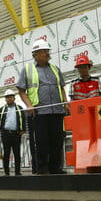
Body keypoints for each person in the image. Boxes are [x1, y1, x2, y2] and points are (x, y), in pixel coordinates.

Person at [17, 39, 68, 175]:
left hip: (57, 111)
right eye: (43, 51)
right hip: (39, 112)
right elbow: (21, 90)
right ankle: (42, 168)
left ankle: (55, 168)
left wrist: (65, 102)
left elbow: (62, 87)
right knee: (41, 142)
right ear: (36, 54)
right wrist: (28, 105)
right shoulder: (28, 69)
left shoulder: (55, 69)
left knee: (57, 141)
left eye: (47, 51)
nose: (47, 53)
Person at [0, 89, 26, 175]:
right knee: (6, 154)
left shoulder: (20, 108)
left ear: (14, 98)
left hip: (16, 134)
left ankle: (17, 172)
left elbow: (23, 119)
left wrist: (23, 130)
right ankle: (6, 172)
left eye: (11, 97)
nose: (9, 99)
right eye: (7, 97)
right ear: (5, 99)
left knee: (17, 153)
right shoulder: (1, 109)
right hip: (5, 134)